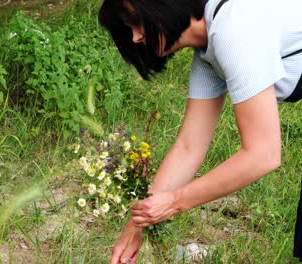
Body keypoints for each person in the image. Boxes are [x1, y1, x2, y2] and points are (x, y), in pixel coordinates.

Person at [97, 0, 302, 263]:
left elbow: (263, 154)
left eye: (136, 21)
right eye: (128, 28)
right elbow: (188, 147)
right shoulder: (211, 48)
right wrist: (136, 226)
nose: (136, 37)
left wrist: (174, 202)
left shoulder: (233, 28)